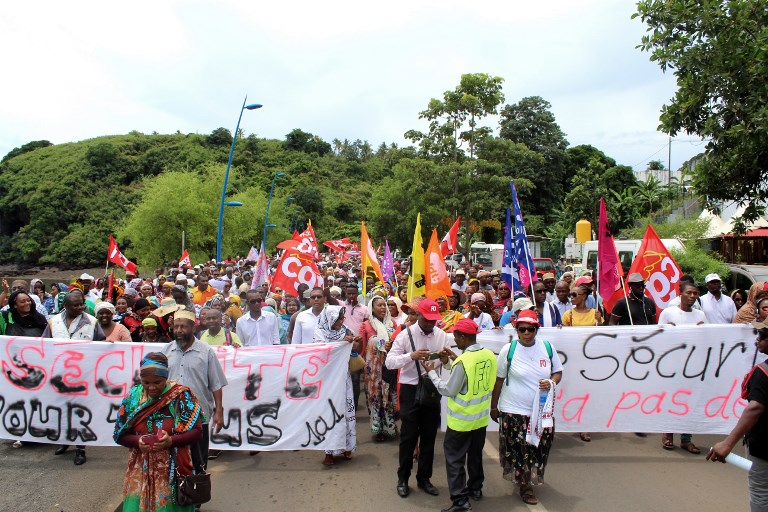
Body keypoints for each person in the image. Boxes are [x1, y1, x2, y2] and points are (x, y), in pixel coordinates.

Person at [113, 352, 203, 512]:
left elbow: (197, 432)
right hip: (141, 473)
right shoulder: (133, 397)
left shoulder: (180, 396)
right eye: (146, 382)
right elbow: (119, 435)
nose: (152, 387)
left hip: (172, 474)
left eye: (157, 382)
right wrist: (137, 442)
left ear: (166, 378)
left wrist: (171, 441)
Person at [423, 318, 497, 512]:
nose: (455, 340)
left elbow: (448, 390)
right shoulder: (489, 355)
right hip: (480, 419)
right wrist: (452, 362)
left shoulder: (463, 361)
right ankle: (476, 488)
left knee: (454, 460)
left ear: (463, 336)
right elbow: (469, 377)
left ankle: (460, 501)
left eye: (456, 337)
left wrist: (432, 373)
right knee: (474, 456)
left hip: (461, 421)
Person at [490, 310, 563, 506]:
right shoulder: (509, 350)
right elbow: (499, 380)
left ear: (536, 329)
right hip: (513, 409)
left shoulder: (547, 348)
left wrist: (551, 382)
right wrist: (494, 407)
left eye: (531, 329)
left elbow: (557, 372)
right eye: (522, 329)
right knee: (519, 449)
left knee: (537, 447)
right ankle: (525, 485)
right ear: (517, 330)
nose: (527, 333)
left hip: (540, 411)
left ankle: (525, 477)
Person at [385, 298, 451, 499]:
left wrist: (444, 361)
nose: (431, 323)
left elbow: (448, 366)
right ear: (418, 315)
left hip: (431, 389)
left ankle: (424, 479)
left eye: (434, 319)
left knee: (429, 438)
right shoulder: (405, 335)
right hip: (410, 390)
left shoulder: (442, 335)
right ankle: (403, 479)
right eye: (427, 319)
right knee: (409, 437)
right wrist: (410, 356)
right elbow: (389, 362)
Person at [707, 319, 768, 512]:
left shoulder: (763, 372)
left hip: (764, 448)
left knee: (761, 493)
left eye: (762, 336)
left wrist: (727, 444)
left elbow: (755, 408)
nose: (757, 340)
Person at [43, 290, 105, 465]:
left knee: (80, 412)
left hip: (83, 376)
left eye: (81, 304)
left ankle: (80, 448)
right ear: (65, 306)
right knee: (61, 410)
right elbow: (44, 345)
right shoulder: (53, 322)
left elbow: (100, 344)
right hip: (59, 375)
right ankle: (64, 441)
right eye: (75, 305)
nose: (80, 307)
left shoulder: (92, 322)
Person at [161, 310, 227, 471]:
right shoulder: (165, 352)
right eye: (176, 327)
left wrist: (219, 411)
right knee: (172, 460)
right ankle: (177, 494)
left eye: (183, 327)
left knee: (198, 460)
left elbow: (216, 384)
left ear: (193, 328)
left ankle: (197, 491)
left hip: (199, 414)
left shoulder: (206, 352)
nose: (179, 331)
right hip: (171, 414)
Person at [658, 281, 706, 453]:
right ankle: (668, 434)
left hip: (693, 367)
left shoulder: (700, 315)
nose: (693, 296)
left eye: (695, 293)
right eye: (689, 293)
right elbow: (658, 338)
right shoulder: (668, 313)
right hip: (672, 367)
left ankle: (686, 439)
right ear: (681, 294)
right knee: (672, 400)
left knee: (690, 402)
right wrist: (667, 331)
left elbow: (707, 340)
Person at [313, 306, 361, 465]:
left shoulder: (346, 330)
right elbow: (320, 351)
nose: (342, 321)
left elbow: (354, 350)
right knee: (329, 413)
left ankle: (347, 446)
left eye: (342, 318)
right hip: (327, 379)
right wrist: (341, 342)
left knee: (346, 412)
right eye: (339, 319)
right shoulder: (320, 332)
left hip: (343, 377)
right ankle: (329, 452)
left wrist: (355, 343)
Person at [361, 296, 401, 442]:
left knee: (389, 396)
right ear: (372, 308)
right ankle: (378, 430)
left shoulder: (393, 324)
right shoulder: (366, 325)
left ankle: (390, 428)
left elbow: (399, 342)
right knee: (376, 397)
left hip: (389, 367)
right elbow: (362, 348)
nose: (383, 308)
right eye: (379, 305)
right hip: (374, 371)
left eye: (385, 305)